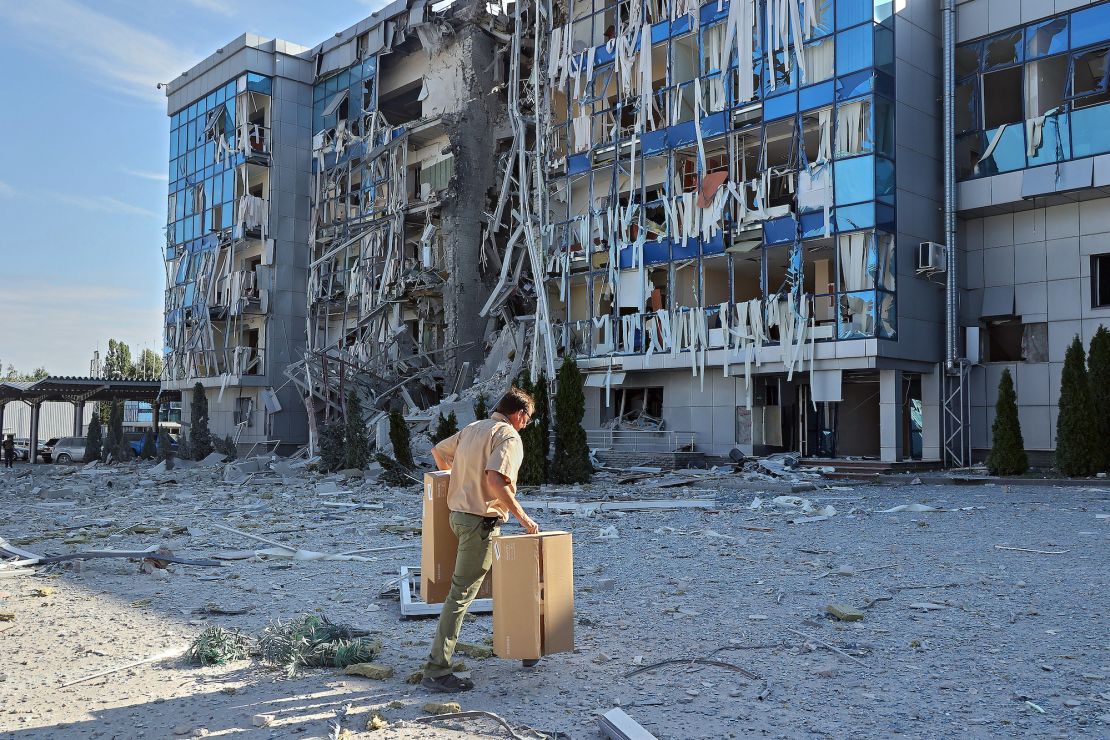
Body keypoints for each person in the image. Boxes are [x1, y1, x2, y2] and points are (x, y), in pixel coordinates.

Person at [421, 387, 540, 693]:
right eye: (528, 419)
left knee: (498, 582)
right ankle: (437, 670)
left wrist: (463, 482)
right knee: (460, 596)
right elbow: (495, 479)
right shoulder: (508, 436)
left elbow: (438, 452)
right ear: (519, 414)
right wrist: (523, 517)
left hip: (458, 517)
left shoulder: (473, 428)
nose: (526, 424)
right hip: (479, 523)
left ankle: (526, 647)